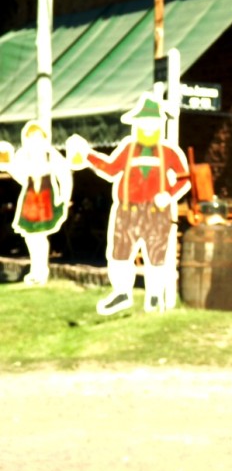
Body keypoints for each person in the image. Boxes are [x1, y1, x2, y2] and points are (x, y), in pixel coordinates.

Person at [67, 92, 190, 315]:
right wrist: (88, 155)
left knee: (156, 255)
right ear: (137, 124)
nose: (148, 127)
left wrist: (169, 194)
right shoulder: (128, 148)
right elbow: (111, 169)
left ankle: (154, 297)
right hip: (127, 211)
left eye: (152, 123)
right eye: (143, 123)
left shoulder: (169, 151)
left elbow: (185, 179)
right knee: (119, 254)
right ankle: (122, 293)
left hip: (156, 211)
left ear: (159, 124)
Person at [0, 121, 73, 286]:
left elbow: (64, 174)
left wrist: (64, 196)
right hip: (31, 198)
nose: (35, 140)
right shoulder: (24, 155)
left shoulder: (50, 155)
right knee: (31, 237)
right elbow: (19, 175)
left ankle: (42, 271)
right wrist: (7, 163)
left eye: (38, 136)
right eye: (32, 137)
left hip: (46, 198)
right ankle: (35, 270)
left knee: (40, 236)